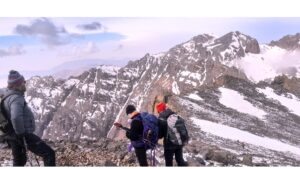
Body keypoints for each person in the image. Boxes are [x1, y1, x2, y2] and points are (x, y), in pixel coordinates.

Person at [1, 70, 56, 166]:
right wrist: (21, 133)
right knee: (49, 154)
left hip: (11, 134)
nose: (25, 83)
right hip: (22, 135)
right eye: (23, 82)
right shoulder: (15, 98)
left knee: (19, 161)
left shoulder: (6, 94)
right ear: (17, 84)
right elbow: (16, 117)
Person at [157, 102, 187, 166]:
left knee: (168, 162)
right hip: (179, 141)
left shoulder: (161, 119)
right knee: (179, 159)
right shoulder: (173, 114)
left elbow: (160, 135)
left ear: (159, 111)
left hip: (169, 144)